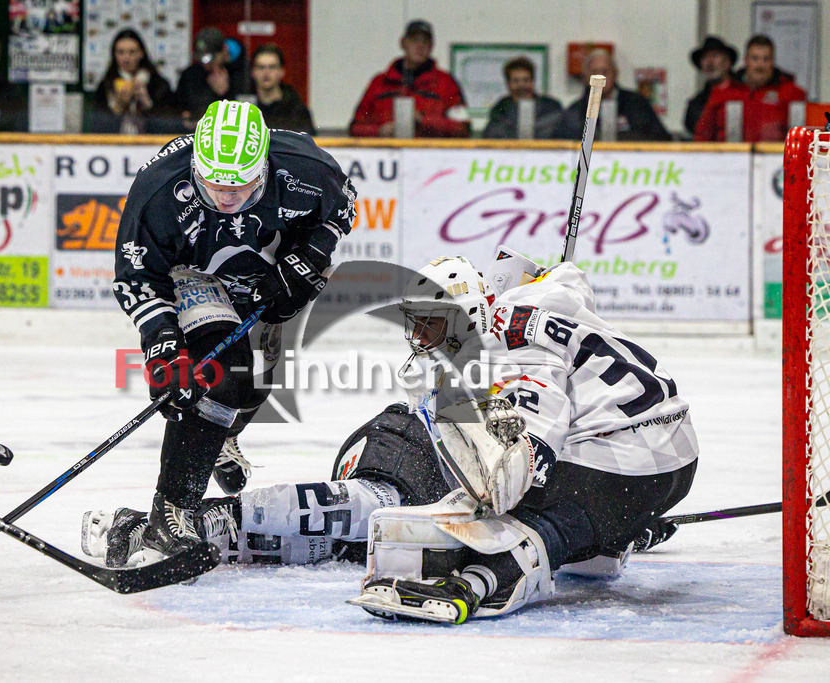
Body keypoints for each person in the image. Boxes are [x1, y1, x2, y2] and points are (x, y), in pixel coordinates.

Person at [83, 249, 698, 625]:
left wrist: (592, 511)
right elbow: (562, 286)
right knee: (365, 510)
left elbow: (521, 457)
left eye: (434, 323)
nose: (424, 337)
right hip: (660, 446)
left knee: (364, 512)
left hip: (562, 457)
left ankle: (197, 524)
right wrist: (610, 520)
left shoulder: (505, 349)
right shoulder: (535, 306)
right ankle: (198, 523)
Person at [90, 100, 356, 566]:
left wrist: (304, 262)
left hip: (268, 267)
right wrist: (164, 347)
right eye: (213, 182)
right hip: (194, 273)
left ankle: (217, 434)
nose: (225, 196)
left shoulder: (304, 166)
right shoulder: (159, 189)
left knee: (260, 379)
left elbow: (342, 209)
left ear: (265, 164)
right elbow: (136, 278)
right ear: (195, 162)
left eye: (238, 184)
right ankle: (172, 511)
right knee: (224, 371)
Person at [348, 20, 470, 138]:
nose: (420, 46)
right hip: (388, 155)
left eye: (425, 41)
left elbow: (462, 129)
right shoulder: (379, 83)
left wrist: (424, 120)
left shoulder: (446, 83)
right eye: (414, 40)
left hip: (430, 155)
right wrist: (380, 131)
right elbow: (356, 127)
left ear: (432, 46)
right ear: (402, 43)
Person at [694, 34, 806, 143]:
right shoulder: (724, 91)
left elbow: (804, 137)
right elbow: (702, 136)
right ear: (746, 60)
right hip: (730, 158)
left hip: (777, 158)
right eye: (755, 58)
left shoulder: (792, 93)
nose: (760, 65)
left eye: (766, 59)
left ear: (772, 61)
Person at [554, 49, 671, 142]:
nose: (600, 77)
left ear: (615, 73)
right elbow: (562, 145)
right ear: (585, 76)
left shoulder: (637, 103)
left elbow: (661, 138)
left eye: (605, 71)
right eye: (595, 72)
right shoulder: (575, 110)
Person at [89, 29, 175, 134]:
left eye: (132, 52)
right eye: (121, 52)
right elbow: (96, 128)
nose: (126, 58)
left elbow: (170, 126)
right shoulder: (105, 86)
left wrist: (147, 103)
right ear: (114, 55)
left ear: (141, 53)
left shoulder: (158, 84)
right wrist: (118, 107)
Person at [173, 27, 247, 123]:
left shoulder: (239, 73)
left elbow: (243, 112)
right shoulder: (191, 74)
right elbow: (179, 107)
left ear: (224, 50)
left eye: (212, 58)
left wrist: (224, 94)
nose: (206, 64)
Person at [482, 55, 562, 139]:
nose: (521, 85)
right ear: (508, 84)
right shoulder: (499, 112)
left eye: (526, 80)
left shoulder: (551, 108)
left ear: (532, 81)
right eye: (516, 81)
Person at [250, 44, 315, 135]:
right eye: (261, 67)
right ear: (253, 72)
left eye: (272, 67)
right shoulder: (245, 108)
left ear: (281, 71)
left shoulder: (297, 110)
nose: (266, 73)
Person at [683, 36, 737, 136]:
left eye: (714, 56)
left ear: (728, 62)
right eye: (704, 57)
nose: (709, 62)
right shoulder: (695, 105)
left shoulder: (744, 95)